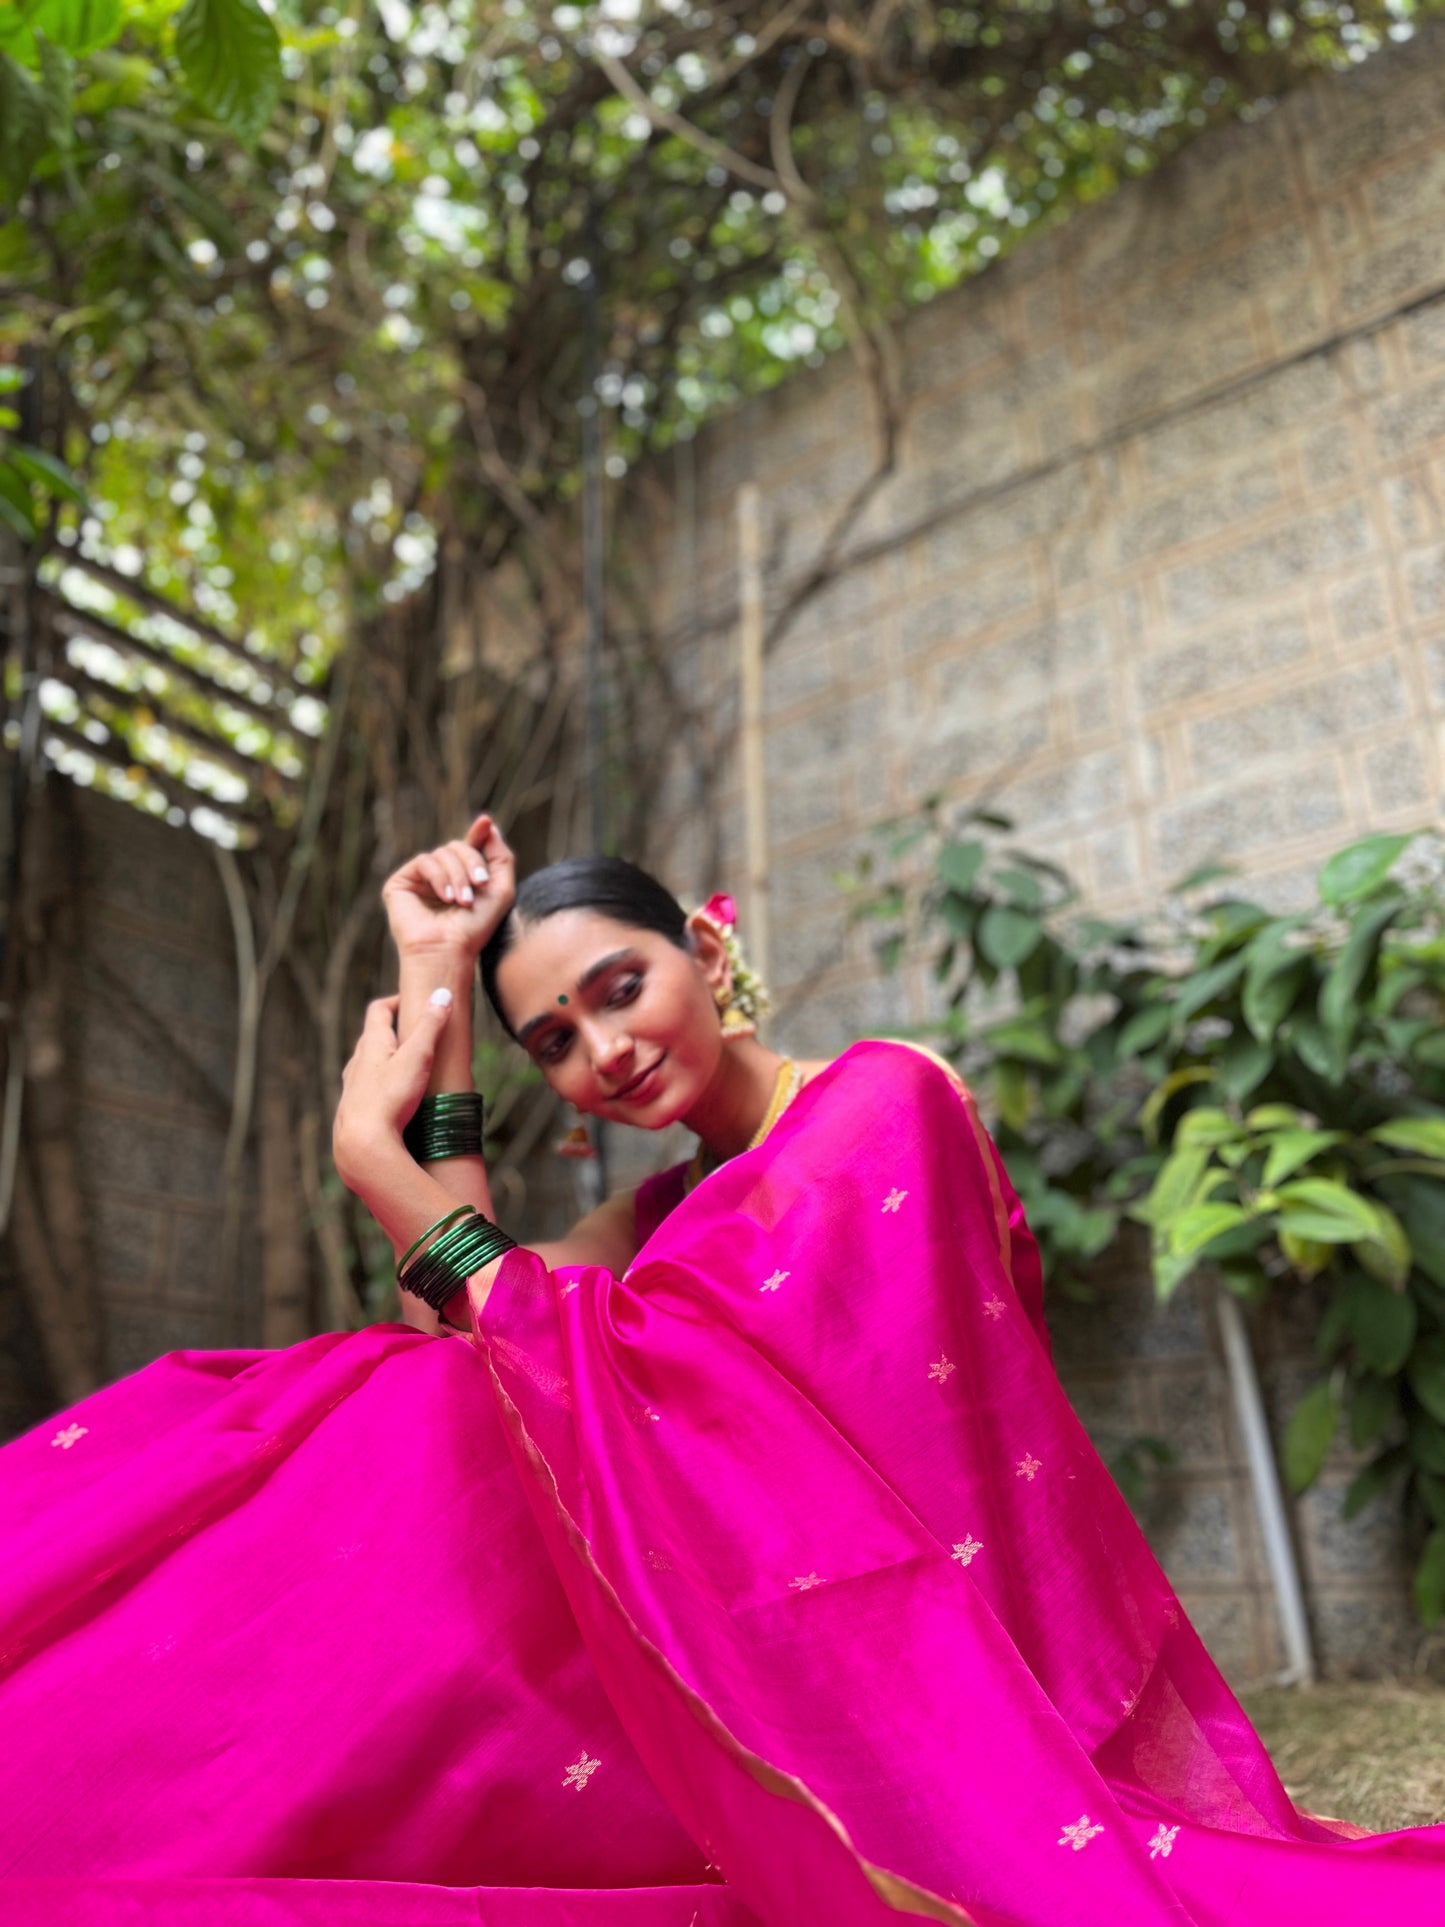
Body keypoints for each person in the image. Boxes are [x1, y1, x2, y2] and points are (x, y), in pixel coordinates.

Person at [1, 816, 1443, 1927]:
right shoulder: (653, 1220)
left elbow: (613, 1360)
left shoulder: (885, 1100)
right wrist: (428, 974)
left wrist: (381, 1167)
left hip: (861, 1669)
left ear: (705, 944)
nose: (605, 1053)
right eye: (555, 1045)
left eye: (620, 988)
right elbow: (470, 1330)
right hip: (693, 1634)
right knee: (389, 1400)